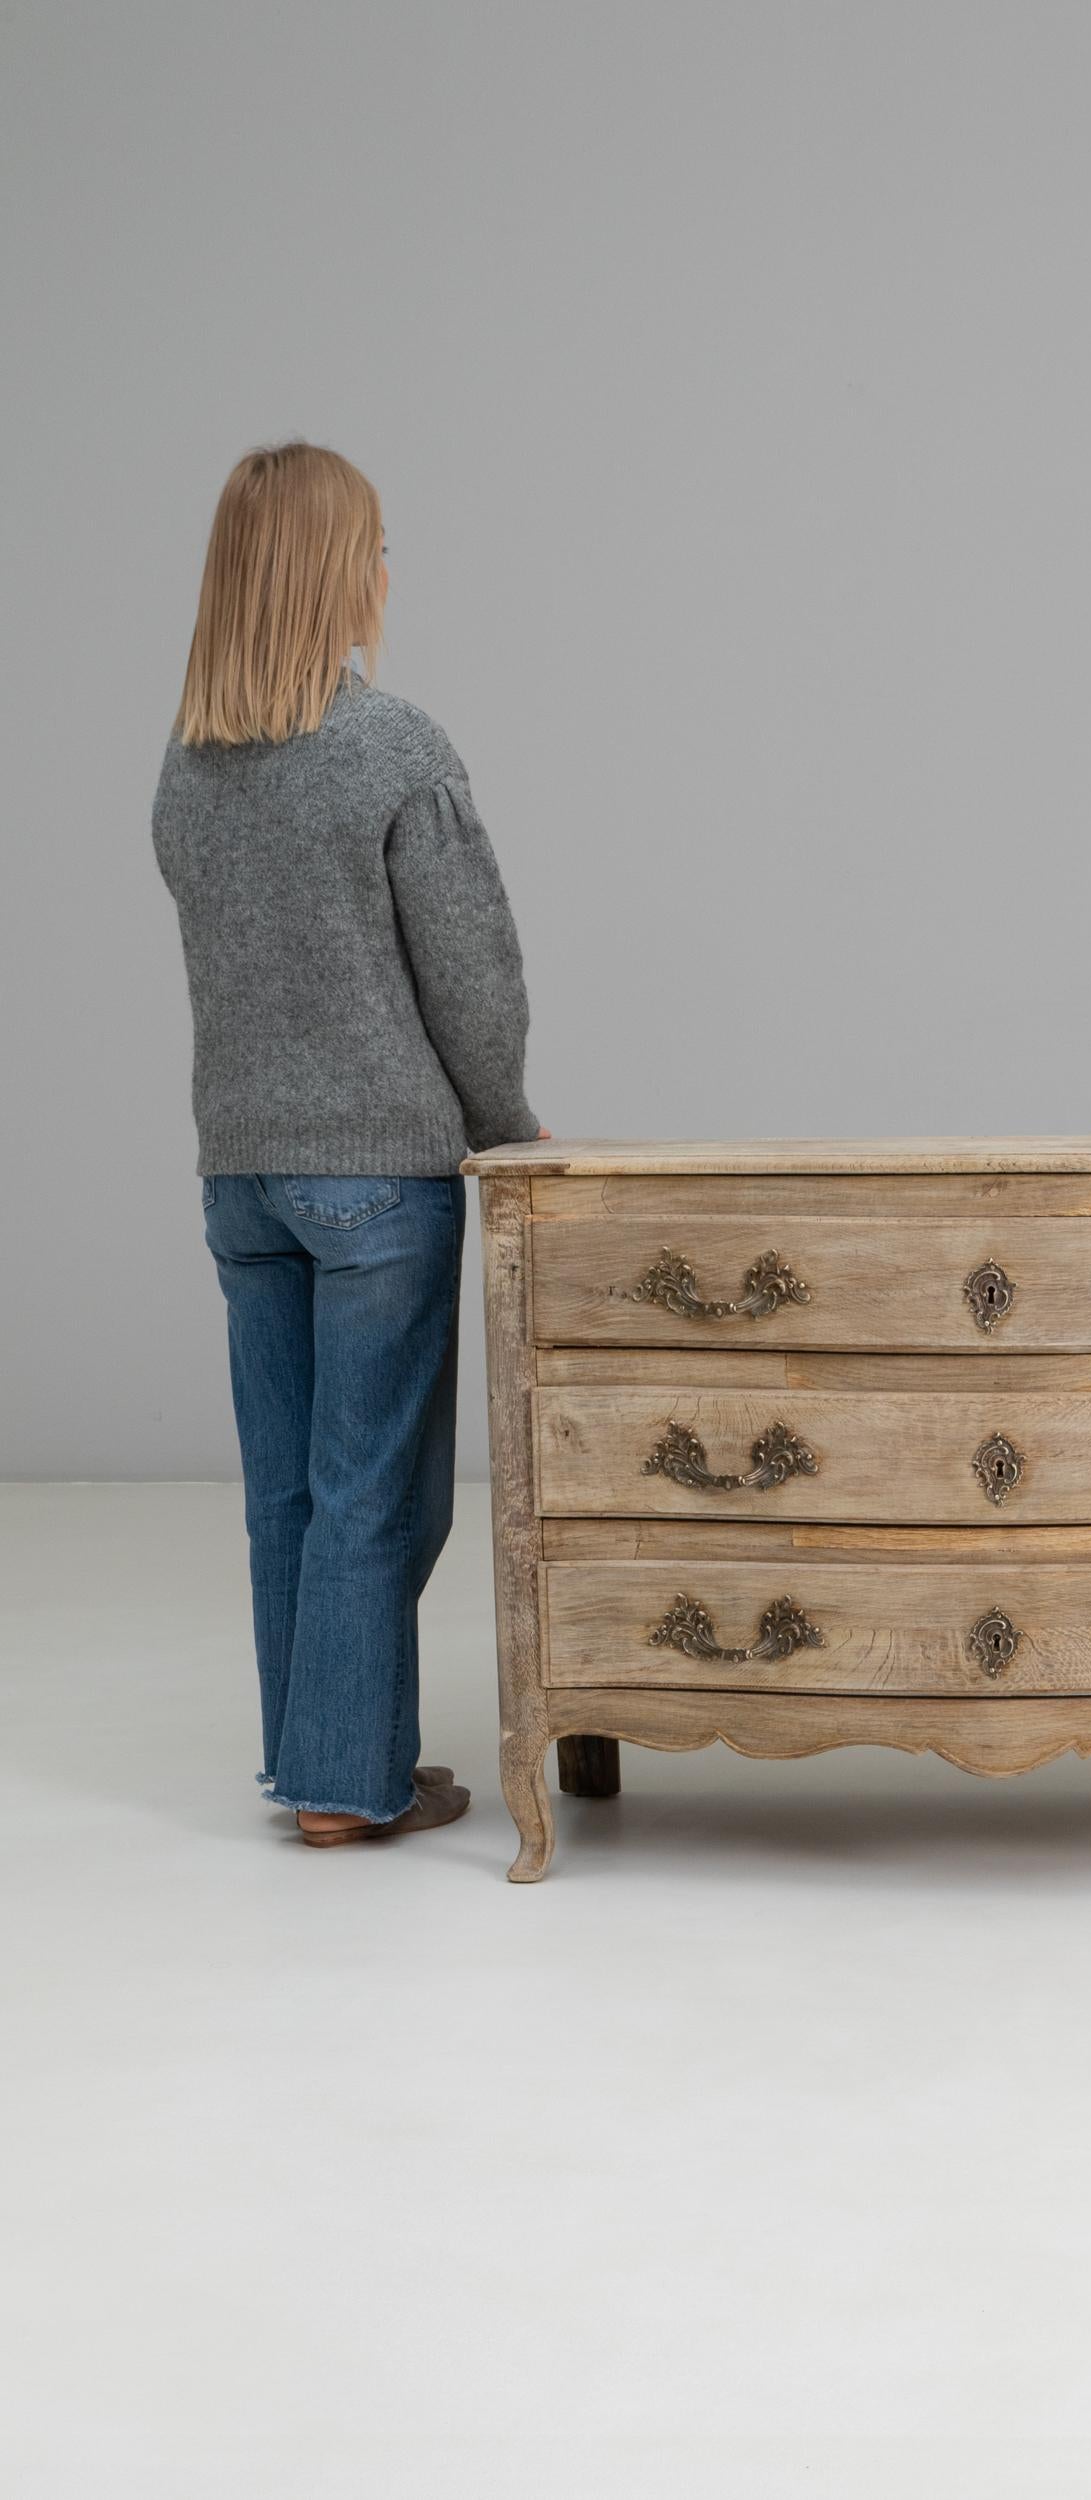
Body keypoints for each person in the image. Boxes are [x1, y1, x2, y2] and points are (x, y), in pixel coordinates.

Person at [153, 440, 544, 1849]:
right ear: (335, 573)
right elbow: (473, 979)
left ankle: (319, 1761)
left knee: (287, 1495)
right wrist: (508, 1130)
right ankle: (342, 1786)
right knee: (374, 1492)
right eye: (376, 547)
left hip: (241, 1175)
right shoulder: (392, 749)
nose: (389, 571)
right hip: (378, 1176)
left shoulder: (188, 767)